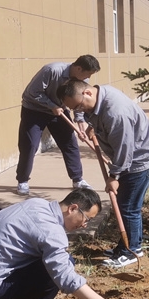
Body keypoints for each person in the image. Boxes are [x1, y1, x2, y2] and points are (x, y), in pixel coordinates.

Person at [57, 79, 149, 269]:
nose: (81, 111)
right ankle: (128, 245)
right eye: (74, 109)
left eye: (80, 106)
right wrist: (93, 126)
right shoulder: (99, 96)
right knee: (127, 206)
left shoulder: (116, 113)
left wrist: (114, 176)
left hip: (139, 161)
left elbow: (125, 149)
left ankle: (132, 250)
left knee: (127, 208)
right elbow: (96, 115)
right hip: (131, 158)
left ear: (87, 93)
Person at [16, 55, 101, 195]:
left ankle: (77, 179)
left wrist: (80, 121)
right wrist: (51, 105)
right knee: (29, 145)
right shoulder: (51, 70)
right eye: (88, 74)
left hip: (59, 110)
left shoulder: (82, 79)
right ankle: (22, 180)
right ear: (79, 68)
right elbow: (31, 93)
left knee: (70, 143)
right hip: (34, 110)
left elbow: (80, 100)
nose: (89, 78)